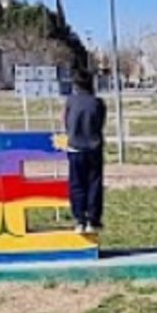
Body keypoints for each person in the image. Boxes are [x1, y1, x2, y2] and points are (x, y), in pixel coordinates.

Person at [64, 69, 107, 234]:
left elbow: (66, 122)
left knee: (77, 185)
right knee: (94, 184)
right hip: (94, 147)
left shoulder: (70, 102)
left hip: (75, 147)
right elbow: (100, 123)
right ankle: (93, 219)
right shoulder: (98, 102)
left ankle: (80, 220)